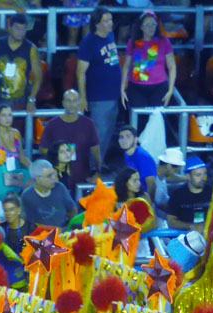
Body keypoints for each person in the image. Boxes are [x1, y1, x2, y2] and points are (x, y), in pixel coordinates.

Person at [76, 8, 121, 171]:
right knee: (99, 133)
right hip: (99, 96)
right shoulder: (89, 42)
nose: (110, 23)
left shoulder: (110, 36)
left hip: (113, 93)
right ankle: (92, 167)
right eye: (106, 21)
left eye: (111, 20)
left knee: (109, 131)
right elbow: (80, 71)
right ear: (97, 24)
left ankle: (100, 163)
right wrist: (82, 97)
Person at [39, 90, 100, 185]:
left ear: (79, 103)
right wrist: (59, 155)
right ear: (63, 103)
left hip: (82, 179)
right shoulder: (52, 124)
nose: (72, 104)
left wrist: (98, 173)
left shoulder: (88, 124)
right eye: (68, 101)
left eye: (75, 101)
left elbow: (96, 151)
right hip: (57, 180)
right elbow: (43, 149)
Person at [121, 12, 175, 110]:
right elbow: (126, 66)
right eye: (147, 25)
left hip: (159, 88)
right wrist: (122, 87)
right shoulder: (133, 42)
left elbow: (172, 67)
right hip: (136, 88)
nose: (151, 27)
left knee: (157, 117)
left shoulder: (164, 42)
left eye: (153, 24)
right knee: (138, 117)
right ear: (141, 27)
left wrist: (170, 90)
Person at [0, 105, 30, 212]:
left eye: (10, 115)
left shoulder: (16, 134)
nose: (8, 118)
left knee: (36, 178)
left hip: (15, 174)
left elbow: (22, 158)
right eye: (4, 115)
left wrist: (37, 170)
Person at [0, 15, 40, 112]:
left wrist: (31, 99)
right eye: (17, 28)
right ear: (10, 27)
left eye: (23, 29)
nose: (20, 32)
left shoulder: (31, 49)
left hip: (21, 101)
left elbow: (38, 77)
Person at [20, 159, 78, 231]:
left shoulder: (60, 187)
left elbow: (72, 210)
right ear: (38, 179)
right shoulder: (27, 196)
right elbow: (29, 224)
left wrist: (70, 227)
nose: (54, 178)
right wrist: (54, 231)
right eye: (49, 176)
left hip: (64, 232)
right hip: (41, 235)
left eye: (54, 174)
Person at [167, 157, 212, 231]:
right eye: (198, 175)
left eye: (205, 174)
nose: (203, 178)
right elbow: (171, 221)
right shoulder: (177, 195)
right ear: (188, 176)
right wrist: (191, 226)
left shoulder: (212, 192)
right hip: (184, 236)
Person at [117, 124, 157, 197]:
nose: (124, 140)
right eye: (121, 137)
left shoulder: (143, 157)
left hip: (143, 197)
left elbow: (152, 184)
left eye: (128, 137)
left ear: (136, 140)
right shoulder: (127, 154)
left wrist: (148, 202)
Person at [114, 166, 155, 230]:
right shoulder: (115, 201)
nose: (139, 183)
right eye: (135, 180)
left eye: (139, 180)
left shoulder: (144, 197)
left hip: (145, 232)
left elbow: (153, 221)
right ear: (124, 182)